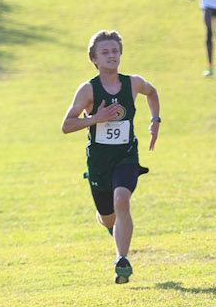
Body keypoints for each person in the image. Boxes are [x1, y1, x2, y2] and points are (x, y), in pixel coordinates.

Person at [61, 29, 160, 283]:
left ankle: (122, 259)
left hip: (126, 156)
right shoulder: (88, 90)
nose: (111, 56)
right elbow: (67, 125)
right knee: (108, 216)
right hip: (98, 163)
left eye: (115, 51)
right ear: (94, 58)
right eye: (105, 52)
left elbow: (152, 92)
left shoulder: (133, 83)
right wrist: (96, 119)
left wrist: (155, 119)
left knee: (122, 199)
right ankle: (111, 228)